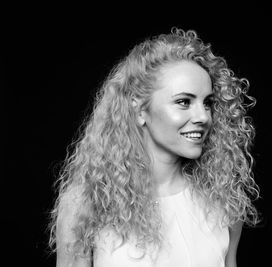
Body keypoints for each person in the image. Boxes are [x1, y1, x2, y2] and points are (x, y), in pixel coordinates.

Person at [48, 27, 260, 267]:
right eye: (183, 101)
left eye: (208, 103)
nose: (203, 116)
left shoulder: (223, 199)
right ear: (140, 110)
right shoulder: (87, 204)